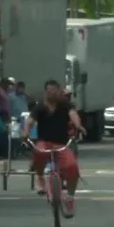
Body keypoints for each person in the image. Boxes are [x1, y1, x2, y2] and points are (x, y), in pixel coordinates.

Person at [23, 79, 85, 217]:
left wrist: (78, 125)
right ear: (45, 92)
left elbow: (73, 115)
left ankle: (70, 197)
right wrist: (26, 132)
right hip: (44, 142)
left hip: (62, 144)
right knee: (37, 153)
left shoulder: (65, 105)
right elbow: (30, 121)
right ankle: (40, 177)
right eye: (49, 91)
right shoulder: (39, 107)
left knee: (72, 166)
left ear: (59, 92)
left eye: (55, 91)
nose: (52, 94)